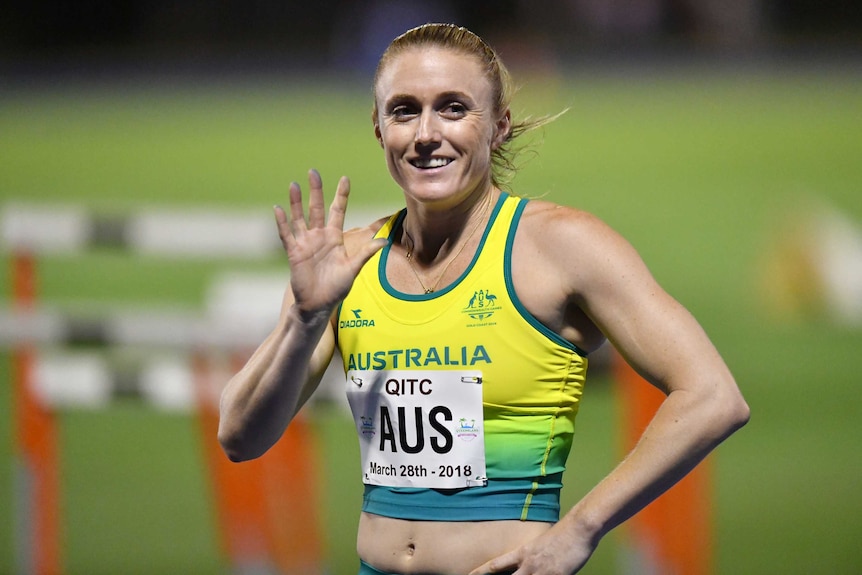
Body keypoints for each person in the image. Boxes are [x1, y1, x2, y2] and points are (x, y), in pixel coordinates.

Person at [217, 23, 750, 575]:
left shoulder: (559, 247)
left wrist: (579, 531)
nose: (426, 133)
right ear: (379, 130)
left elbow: (713, 396)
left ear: (498, 127)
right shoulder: (344, 265)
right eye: (404, 110)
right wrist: (307, 318)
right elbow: (239, 438)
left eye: (453, 108)